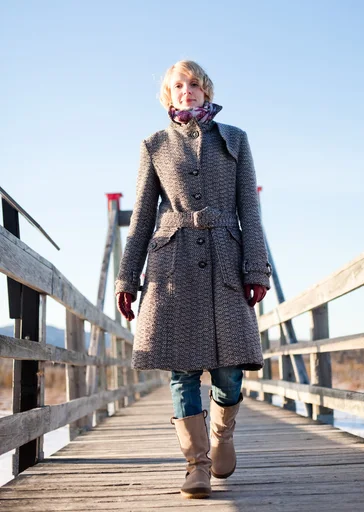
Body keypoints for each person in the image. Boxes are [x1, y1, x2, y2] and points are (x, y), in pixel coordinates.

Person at [115, 60, 271, 499]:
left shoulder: (235, 139)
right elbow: (143, 218)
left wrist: (255, 268)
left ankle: (222, 435)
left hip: (225, 257)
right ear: (169, 94)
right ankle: (196, 465)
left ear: (206, 90)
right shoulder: (154, 145)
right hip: (173, 268)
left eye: (194, 83)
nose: (187, 90)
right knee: (183, 373)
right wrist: (126, 279)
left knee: (229, 372)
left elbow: (250, 211)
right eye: (178, 85)